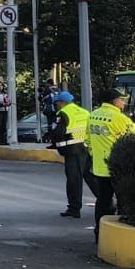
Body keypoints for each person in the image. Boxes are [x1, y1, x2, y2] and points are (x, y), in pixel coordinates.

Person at [87, 89, 135, 239]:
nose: (124, 103)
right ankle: (119, 235)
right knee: (123, 201)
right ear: (114, 101)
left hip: (99, 168)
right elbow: (134, 139)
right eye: (122, 99)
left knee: (103, 201)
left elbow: (88, 141)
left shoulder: (92, 115)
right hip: (117, 167)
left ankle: (100, 233)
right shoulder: (120, 118)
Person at [49, 91, 95, 219]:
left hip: (72, 150)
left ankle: (74, 208)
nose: (56, 105)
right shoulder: (85, 112)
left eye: (57, 102)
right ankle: (107, 202)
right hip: (85, 149)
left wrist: (53, 140)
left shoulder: (63, 114)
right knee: (90, 177)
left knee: (74, 180)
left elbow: (57, 132)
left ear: (62, 103)